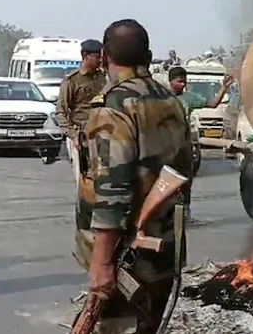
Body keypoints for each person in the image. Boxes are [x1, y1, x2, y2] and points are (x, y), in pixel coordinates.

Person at [72, 19, 190, 334]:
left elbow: (113, 190)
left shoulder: (114, 106)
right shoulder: (171, 101)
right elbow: (186, 167)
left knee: (115, 327)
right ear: (149, 56)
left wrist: (102, 262)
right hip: (164, 245)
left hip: (126, 254)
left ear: (105, 57)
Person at [167, 66, 234, 222]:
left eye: (184, 82)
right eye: (179, 81)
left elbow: (212, 104)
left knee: (186, 181)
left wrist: (224, 88)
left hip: (183, 147)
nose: (183, 85)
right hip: (166, 147)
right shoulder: (161, 98)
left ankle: (186, 214)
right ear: (170, 82)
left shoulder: (189, 98)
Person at [56, 39, 107, 193]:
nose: (100, 60)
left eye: (101, 57)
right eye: (97, 57)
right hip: (81, 136)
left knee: (102, 177)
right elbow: (61, 112)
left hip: (102, 135)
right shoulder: (72, 81)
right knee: (84, 181)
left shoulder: (103, 78)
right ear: (85, 56)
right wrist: (73, 135)